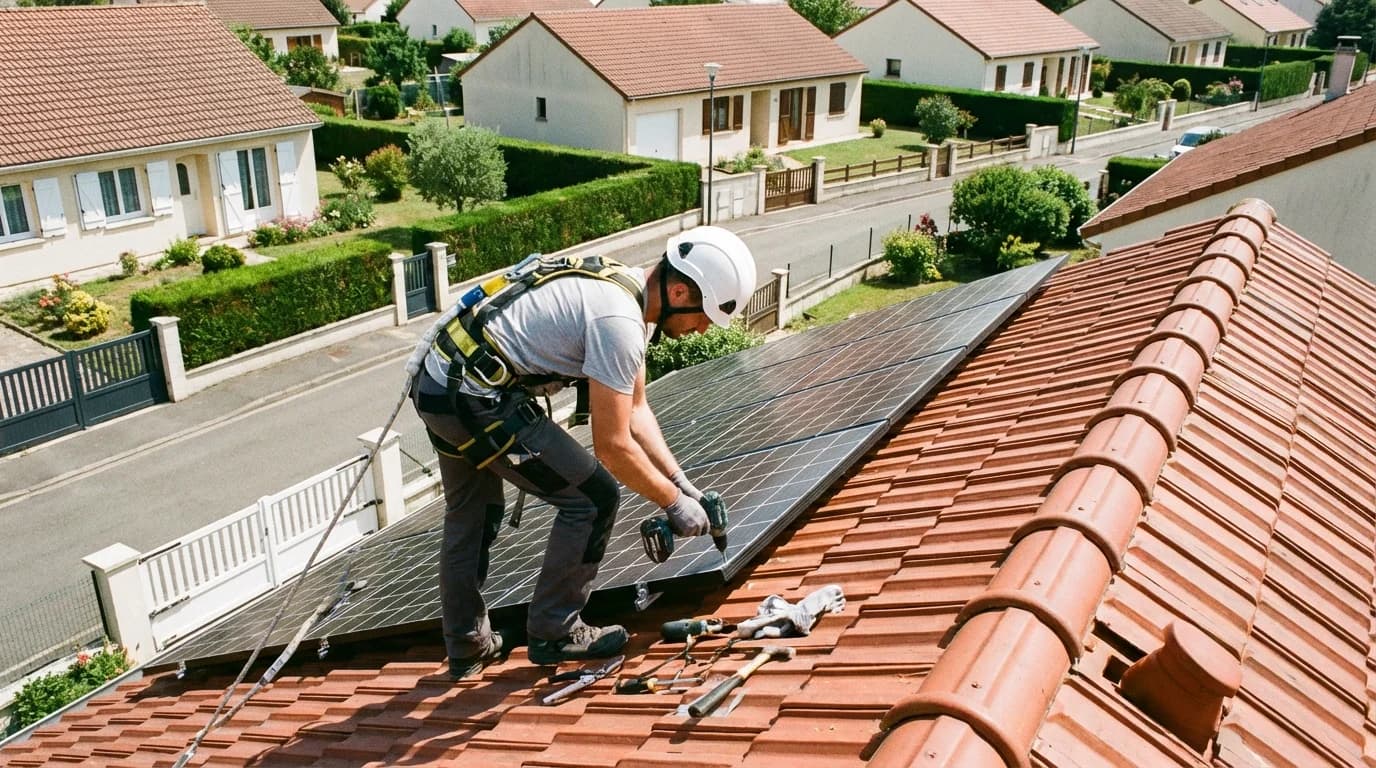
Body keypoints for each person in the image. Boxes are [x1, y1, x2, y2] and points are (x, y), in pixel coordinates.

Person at [410, 226, 757, 677]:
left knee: (471, 514)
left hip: (442, 384)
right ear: (677, 290)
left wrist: (681, 483)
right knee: (594, 497)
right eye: (704, 316)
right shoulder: (619, 324)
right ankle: (555, 630)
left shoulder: (623, 290)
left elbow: (637, 411)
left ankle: (467, 646)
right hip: (476, 394)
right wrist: (672, 505)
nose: (701, 329)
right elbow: (613, 446)